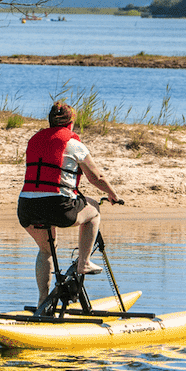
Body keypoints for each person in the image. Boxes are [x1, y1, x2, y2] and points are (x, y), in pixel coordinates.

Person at [17, 101, 121, 304]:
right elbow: (96, 177)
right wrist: (113, 194)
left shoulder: (34, 140)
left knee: (46, 249)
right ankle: (84, 262)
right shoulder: (73, 144)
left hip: (27, 207)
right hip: (58, 207)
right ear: (71, 123)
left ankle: (43, 301)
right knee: (94, 211)